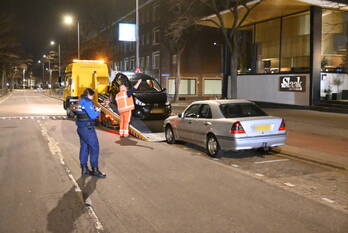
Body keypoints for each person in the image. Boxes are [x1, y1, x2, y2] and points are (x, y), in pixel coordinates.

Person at [75, 88, 106, 178]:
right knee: (94, 147)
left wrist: (97, 107)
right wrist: (98, 111)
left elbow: (87, 110)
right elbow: (93, 115)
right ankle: (95, 169)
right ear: (89, 95)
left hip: (81, 127)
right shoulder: (87, 101)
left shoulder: (82, 100)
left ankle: (84, 168)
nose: (92, 97)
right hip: (87, 129)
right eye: (92, 95)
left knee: (84, 147)